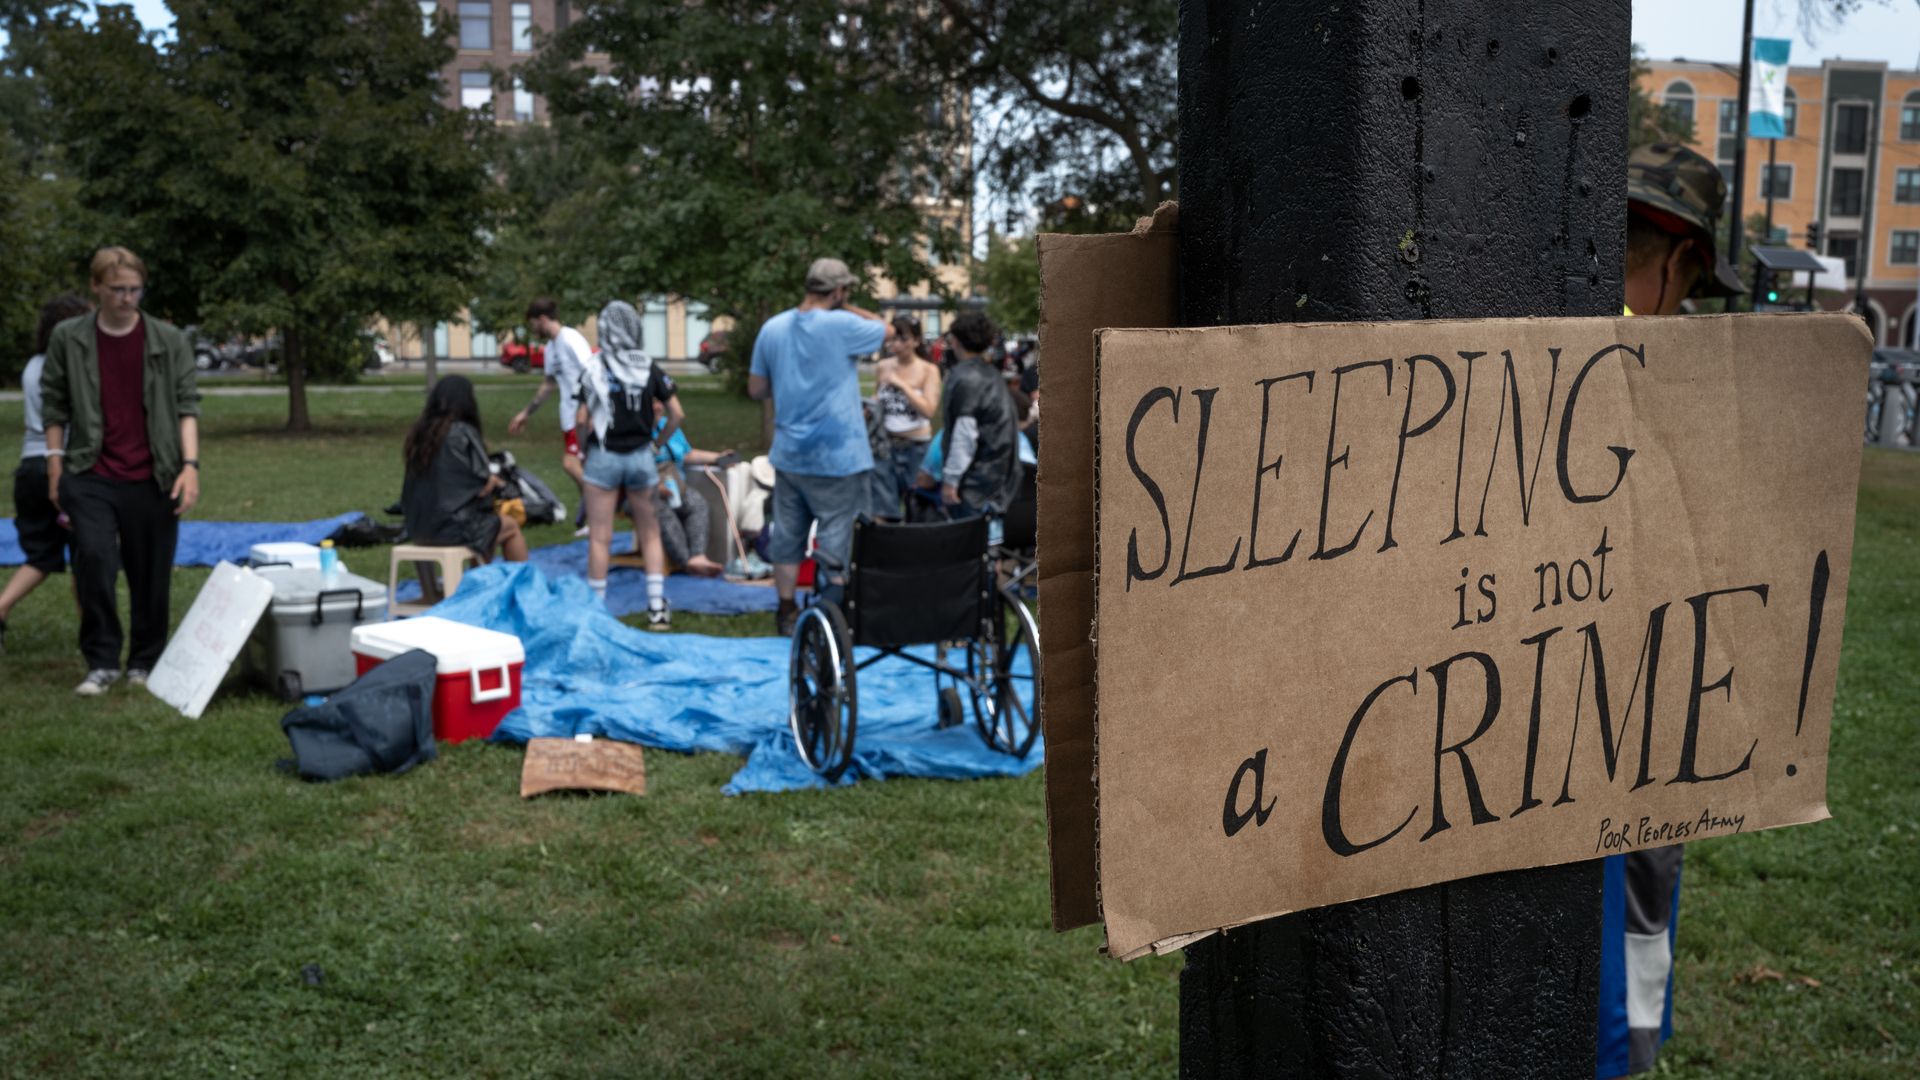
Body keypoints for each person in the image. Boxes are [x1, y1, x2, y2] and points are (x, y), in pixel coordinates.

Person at [1595, 141, 1745, 1080]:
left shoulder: (1517, 320)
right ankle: (1626, 1054)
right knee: (1631, 922)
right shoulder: (1665, 367)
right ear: (1682, 255)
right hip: (1642, 722)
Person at [41, 247, 202, 696]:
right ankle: (102, 660)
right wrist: (55, 465)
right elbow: (54, 406)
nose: (128, 298)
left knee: (151, 571)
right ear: (96, 288)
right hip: (89, 470)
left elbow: (188, 406)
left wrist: (190, 467)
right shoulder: (68, 338)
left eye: (135, 289)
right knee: (92, 558)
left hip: (156, 472)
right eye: (117, 290)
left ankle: (145, 661)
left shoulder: (168, 340)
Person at [748, 257, 895, 635]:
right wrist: (845, 306)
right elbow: (887, 330)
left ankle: (785, 611)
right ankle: (830, 615)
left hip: (790, 453)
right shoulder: (843, 323)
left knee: (787, 534)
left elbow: (756, 389)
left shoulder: (773, 328)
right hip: (838, 456)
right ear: (840, 291)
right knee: (835, 533)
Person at [1, 294, 93, 653]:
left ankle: (2, 608)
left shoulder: (32, 366)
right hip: (62, 466)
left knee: (42, 555)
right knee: (85, 552)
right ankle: (94, 635)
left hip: (29, 468)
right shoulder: (67, 368)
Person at [577, 299, 678, 629]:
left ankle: (596, 609)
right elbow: (677, 414)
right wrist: (657, 443)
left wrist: (582, 447)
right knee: (650, 533)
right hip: (640, 457)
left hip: (603, 457)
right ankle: (656, 607)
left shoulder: (593, 367)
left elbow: (581, 419)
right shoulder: (649, 367)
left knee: (600, 536)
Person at [401, 375, 529, 572]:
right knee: (508, 527)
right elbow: (479, 484)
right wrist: (496, 482)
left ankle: (446, 590)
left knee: (487, 526)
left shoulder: (419, 434)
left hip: (417, 526)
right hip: (451, 528)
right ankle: (523, 587)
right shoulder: (462, 432)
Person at [509, 298, 591, 532]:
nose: (532, 330)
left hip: (580, 416)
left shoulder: (571, 339)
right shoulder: (551, 348)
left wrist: (586, 409)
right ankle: (590, 519)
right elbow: (548, 384)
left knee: (571, 464)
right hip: (568, 418)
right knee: (581, 468)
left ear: (543, 319)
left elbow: (592, 372)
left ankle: (601, 503)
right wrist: (526, 413)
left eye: (533, 324)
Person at [936, 312, 1020, 518]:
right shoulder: (992, 374)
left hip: (976, 482)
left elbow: (964, 434)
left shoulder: (965, 377)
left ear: (955, 340)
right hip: (998, 477)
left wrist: (951, 481)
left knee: (967, 544)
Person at [871, 315, 941, 519]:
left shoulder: (928, 370)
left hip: (916, 448)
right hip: (885, 445)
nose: (896, 344)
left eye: (903, 339)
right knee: (883, 508)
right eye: (893, 338)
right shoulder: (883, 366)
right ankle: (887, 548)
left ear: (916, 340)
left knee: (916, 507)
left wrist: (901, 384)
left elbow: (928, 410)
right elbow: (879, 401)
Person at [650, 412, 732, 577]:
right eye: (653, 401)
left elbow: (686, 454)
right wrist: (654, 486)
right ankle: (687, 562)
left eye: (660, 400)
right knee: (661, 509)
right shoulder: (631, 428)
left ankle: (698, 555)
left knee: (697, 503)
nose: (659, 406)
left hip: (674, 485)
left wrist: (719, 458)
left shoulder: (667, 425)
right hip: (640, 491)